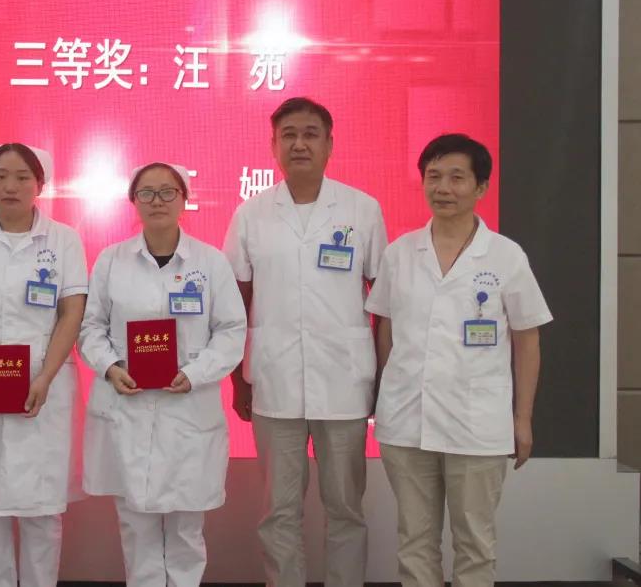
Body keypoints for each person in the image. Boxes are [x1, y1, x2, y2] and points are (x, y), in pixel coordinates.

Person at [366, 133, 551, 587]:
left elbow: (527, 339)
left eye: (456, 177)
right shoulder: (400, 253)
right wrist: (388, 391)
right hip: (408, 422)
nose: (443, 188)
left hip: (477, 423)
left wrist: (522, 419)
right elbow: (385, 329)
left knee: (475, 544)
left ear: (480, 187)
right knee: (414, 541)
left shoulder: (506, 256)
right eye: (433, 176)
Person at [223, 97, 387, 587]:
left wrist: (383, 377)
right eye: (288, 134)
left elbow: (383, 300)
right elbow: (236, 302)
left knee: (346, 508)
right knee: (279, 510)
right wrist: (238, 380)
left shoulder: (362, 210)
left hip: (345, 383)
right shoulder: (251, 214)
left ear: (330, 144)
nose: (299, 143)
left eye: (311, 134)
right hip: (273, 380)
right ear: (273, 146)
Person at [79, 162, 246, 586]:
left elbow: (231, 331)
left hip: (188, 407)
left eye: (168, 192)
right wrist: (110, 367)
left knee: (186, 530)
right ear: (133, 201)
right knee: (136, 528)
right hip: (128, 407)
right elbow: (90, 327)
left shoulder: (210, 262)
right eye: (147, 193)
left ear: (184, 199)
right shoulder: (111, 260)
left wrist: (196, 373)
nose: (157, 201)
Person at [0, 143, 88, 587]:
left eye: (23, 177)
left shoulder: (64, 240)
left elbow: (71, 313)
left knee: (42, 512)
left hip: (43, 384)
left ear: (40, 185)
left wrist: (45, 376)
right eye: (0, 176)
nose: (11, 186)